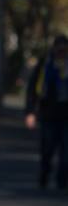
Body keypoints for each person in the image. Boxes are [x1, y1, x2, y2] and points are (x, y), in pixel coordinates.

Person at [25, 34, 68, 190]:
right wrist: (30, 112)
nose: (61, 52)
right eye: (59, 48)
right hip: (49, 114)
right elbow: (33, 89)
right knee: (47, 150)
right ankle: (44, 175)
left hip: (66, 116)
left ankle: (62, 182)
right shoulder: (46, 65)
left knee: (66, 153)